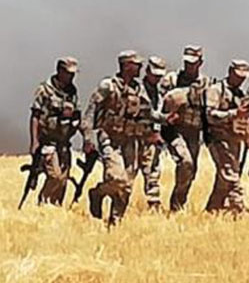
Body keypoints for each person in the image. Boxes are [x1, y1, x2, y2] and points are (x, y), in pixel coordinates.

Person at [81, 50, 156, 225]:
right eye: (136, 65)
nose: (140, 68)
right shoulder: (108, 86)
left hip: (131, 140)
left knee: (127, 185)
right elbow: (90, 112)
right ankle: (97, 193)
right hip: (110, 138)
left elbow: (149, 113)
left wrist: (162, 121)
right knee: (116, 178)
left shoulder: (139, 89)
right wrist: (88, 138)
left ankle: (115, 222)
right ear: (126, 66)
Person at [203, 59, 249, 214]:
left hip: (236, 141)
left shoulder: (241, 95)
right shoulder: (215, 90)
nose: (240, 80)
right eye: (238, 76)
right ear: (230, 72)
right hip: (218, 140)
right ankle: (238, 209)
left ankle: (213, 209)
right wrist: (234, 113)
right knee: (230, 176)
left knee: (224, 179)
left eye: (243, 77)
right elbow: (210, 115)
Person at [157, 44, 212, 211]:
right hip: (174, 131)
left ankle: (178, 205)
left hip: (194, 132)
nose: (189, 66)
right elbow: (159, 105)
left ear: (200, 62)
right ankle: (175, 205)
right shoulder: (171, 80)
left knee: (190, 171)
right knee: (185, 162)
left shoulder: (206, 84)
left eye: (193, 62)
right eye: (187, 62)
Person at [28, 56, 81, 205]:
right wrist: (34, 142)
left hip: (64, 143)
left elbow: (77, 114)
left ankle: (55, 209)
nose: (71, 77)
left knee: (63, 179)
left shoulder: (72, 92)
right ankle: (43, 203)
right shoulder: (45, 90)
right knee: (55, 176)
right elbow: (35, 116)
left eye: (73, 74)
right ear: (59, 71)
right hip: (48, 142)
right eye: (68, 73)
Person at [138, 55, 168, 211]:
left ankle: (154, 205)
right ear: (147, 71)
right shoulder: (137, 89)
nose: (156, 78)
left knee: (153, 173)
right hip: (134, 137)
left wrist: (156, 132)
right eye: (154, 75)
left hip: (151, 139)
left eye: (159, 76)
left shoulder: (158, 93)